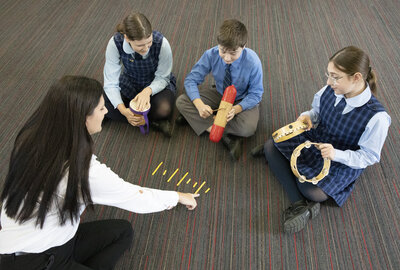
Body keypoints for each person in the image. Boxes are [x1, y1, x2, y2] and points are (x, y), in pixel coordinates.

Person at [0, 76, 199, 270]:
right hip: (34, 259)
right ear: (83, 117)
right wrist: (178, 196)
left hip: (54, 237)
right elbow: (134, 197)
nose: (105, 112)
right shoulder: (83, 172)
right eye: (101, 108)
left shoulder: (34, 136)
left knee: (122, 232)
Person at [252, 46, 391, 233]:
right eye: (329, 74)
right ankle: (300, 203)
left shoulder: (378, 117)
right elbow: (316, 112)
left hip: (341, 158)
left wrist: (336, 154)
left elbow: (369, 156)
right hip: (317, 139)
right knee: (271, 146)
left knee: (312, 190)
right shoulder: (331, 88)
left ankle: (296, 187)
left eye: (335, 76)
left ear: (357, 77)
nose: (329, 81)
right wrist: (308, 117)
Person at [176, 19, 264, 160]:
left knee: (248, 128)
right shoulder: (211, 54)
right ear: (218, 44)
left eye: (233, 53)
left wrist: (236, 109)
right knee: (181, 101)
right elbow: (191, 80)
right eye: (223, 51)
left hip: (242, 99)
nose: (227, 58)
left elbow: (256, 94)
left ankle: (199, 122)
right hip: (220, 92)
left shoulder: (253, 62)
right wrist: (199, 105)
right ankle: (224, 134)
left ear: (244, 46)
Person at [103, 12, 176, 137]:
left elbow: (163, 77)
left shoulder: (162, 43)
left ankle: (136, 117)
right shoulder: (115, 43)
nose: (146, 48)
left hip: (155, 83)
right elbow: (111, 82)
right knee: (100, 102)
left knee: (164, 108)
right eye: (140, 45)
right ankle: (150, 121)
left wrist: (147, 92)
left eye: (149, 42)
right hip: (130, 81)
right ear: (127, 38)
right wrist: (123, 110)